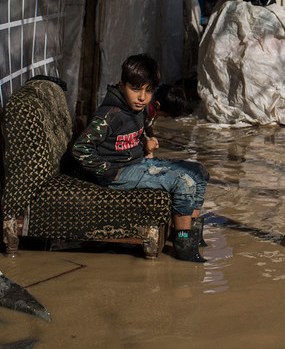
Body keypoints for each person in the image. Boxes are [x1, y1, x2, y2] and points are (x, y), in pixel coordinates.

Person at [72, 54, 209, 262]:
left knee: (198, 172)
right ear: (122, 85)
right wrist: (110, 170)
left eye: (148, 91)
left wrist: (144, 140)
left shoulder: (140, 109)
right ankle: (185, 249)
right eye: (135, 89)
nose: (142, 97)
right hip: (119, 173)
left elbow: (135, 133)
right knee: (183, 182)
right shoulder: (110, 115)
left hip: (138, 163)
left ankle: (189, 234)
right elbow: (80, 148)